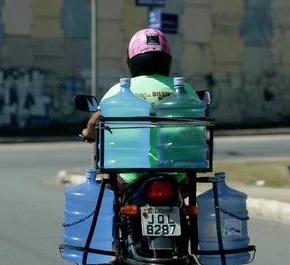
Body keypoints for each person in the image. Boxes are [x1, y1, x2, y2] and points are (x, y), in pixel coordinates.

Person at [81, 28, 202, 197]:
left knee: (109, 178)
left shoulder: (120, 90)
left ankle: (114, 221)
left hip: (130, 176)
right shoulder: (183, 88)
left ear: (131, 60)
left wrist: (88, 133)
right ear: (167, 59)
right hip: (176, 174)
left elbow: (95, 122)